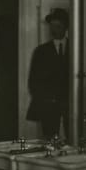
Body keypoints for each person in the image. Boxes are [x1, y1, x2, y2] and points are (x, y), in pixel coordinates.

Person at [26, 7, 70, 140]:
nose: (54, 30)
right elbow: (33, 81)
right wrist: (44, 99)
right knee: (49, 141)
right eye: (52, 26)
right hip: (49, 105)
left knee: (73, 139)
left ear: (65, 27)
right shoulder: (41, 51)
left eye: (58, 26)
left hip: (70, 105)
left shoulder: (76, 49)